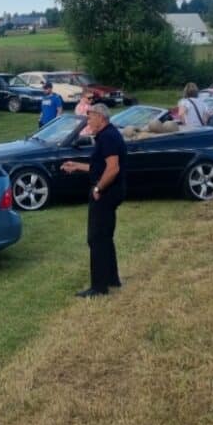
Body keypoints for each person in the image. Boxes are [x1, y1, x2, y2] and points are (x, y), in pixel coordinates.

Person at [61, 103, 127, 297]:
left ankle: (99, 287)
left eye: (90, 117)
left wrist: (99, 188)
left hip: (107, 192)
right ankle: (111, 279)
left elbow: (113, 168)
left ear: (100, 117)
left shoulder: (108, 137)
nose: (88, 121)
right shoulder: (108, 135)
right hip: (111, 190)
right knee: (105, 236)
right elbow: (100, 167)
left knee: (96, 238)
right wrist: (77, 166)